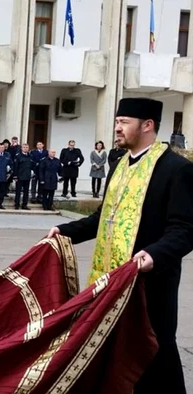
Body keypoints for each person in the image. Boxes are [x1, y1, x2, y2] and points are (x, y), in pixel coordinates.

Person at [47, 97, 193, 394]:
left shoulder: (175, 169)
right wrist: (64, 232)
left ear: (148, 125)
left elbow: (185, 230)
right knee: (113, 349)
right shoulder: (119, 164)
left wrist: (154, 254)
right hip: (110, 279)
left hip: (150, 283)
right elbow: (103, 219)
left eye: (124, 122)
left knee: (155, 352)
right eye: (117, 122)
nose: (117, 128)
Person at [12, 143, 32, 210]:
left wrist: (32, 172)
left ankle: (24, 205)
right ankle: (17, 204)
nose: (25, 148)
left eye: (27, 147)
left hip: (27, 176)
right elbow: (15, 166)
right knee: (18, 191)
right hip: (20, 176)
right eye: (24, 147)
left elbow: (32, 165)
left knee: (26, 192)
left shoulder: (30, 156)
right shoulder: (18, 156)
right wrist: (15, 176)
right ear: (21, 148)